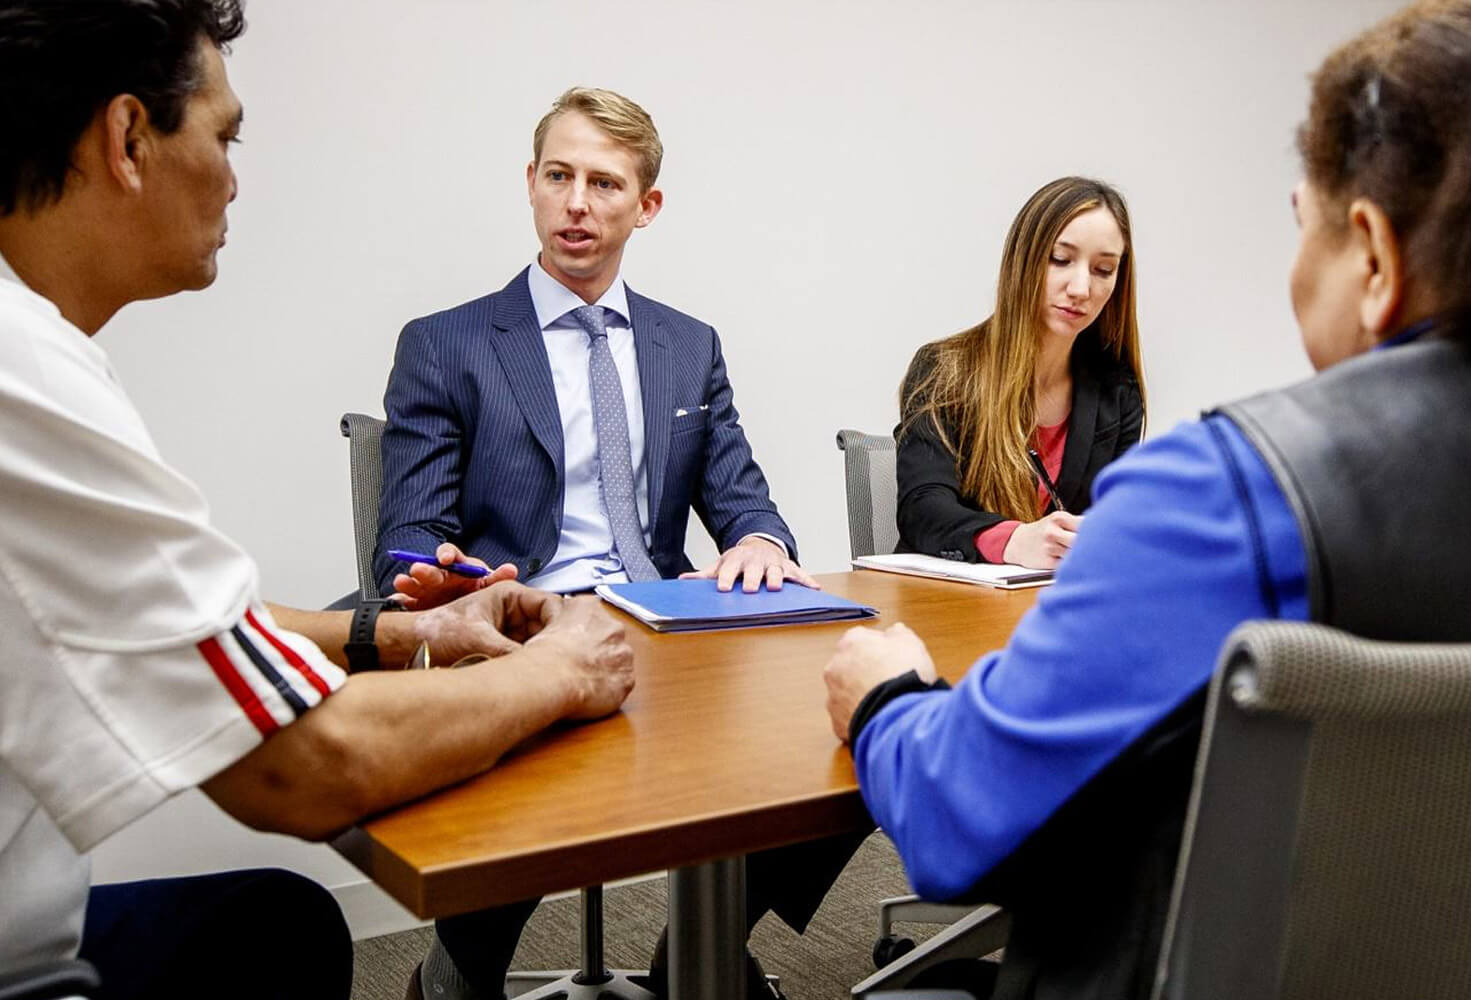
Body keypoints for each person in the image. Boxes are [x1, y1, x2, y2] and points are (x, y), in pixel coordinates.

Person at [823, 2, 1471, 997]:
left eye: (1300, 226)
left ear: (1370, 258)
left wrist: (883, 694)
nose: (1084, 284)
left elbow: (953, 816)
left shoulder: (1219, 494)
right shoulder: (952, 368)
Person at [0, 4, 635, 998]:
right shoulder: (22, 377)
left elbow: (180, 626)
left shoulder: (36, 350)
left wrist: (397, 628)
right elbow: (301, 766)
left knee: (274, 925)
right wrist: (558, 672)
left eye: (606, 181)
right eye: (225, 134)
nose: (235, 173)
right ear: (128, 139)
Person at [374, 87, 861, 1000]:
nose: (577, 202)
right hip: (527, 626)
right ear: (530, 185)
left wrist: (757, 538)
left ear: (647, 206)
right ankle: (461, 969)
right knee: (536, 734)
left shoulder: (688, 345)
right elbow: (405, 545)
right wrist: (452, 586)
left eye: (604, 183)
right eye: (558, 176)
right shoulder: (449, 344)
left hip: (663, 619)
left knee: (854, 711)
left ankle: (708, 943)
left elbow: (745, 501)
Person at [896, 176, 1145, 570]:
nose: (1081, 288)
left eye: (1103, 269)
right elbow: (922, 508)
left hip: (1057, 611)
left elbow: (1116, 523)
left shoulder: (1117, 391)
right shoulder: (943, 370)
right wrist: (1013, 540)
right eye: (1060, 259)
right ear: (1023, 260)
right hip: (948, 608)